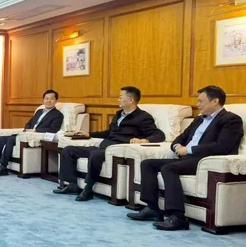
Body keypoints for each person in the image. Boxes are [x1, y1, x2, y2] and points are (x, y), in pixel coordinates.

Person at [128, 86, 244, 231]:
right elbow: (181, 137)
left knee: (168, 168)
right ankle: (152, 209)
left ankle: (178, 217)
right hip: (186, 159)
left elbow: (222, 146)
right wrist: (176, 146)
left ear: (215, 101)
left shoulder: (231, 120)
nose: (197, 104)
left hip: (206, 161)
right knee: (147, 164)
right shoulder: (199, 119)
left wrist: (188, 150)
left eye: (201, 101)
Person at [54, 86, 165, 201]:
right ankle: (72, 184)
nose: (118, 99)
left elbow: (159, 134)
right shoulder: (119, 115)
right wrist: (89, 134)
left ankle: (88, 188)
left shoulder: (143, 117)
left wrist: (143, 140)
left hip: (116, 150)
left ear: (131, 100)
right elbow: (108, 133)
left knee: (95, 155)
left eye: (120, 97)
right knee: (69, 149)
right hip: (103, 146)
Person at [0, 89, 64, 176]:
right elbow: (29, 123)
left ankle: (3, 167)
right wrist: (27, 129)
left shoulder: (58, 115)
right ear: (43, 100)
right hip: (26, 134)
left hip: (37, 136)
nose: (48, 101)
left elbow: (53, 130)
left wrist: (35, 130)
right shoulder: (39, 111)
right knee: (1, 139)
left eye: (51, 99)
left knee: (11, 139)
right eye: (46, 98)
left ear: (55, 101)